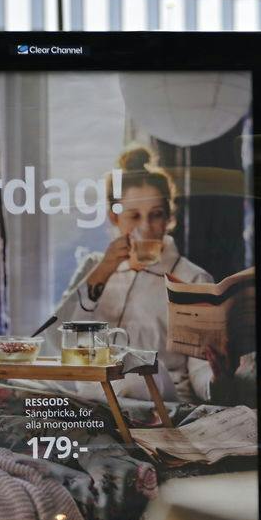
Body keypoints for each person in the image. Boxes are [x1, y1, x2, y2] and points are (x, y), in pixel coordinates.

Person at [47, 147, 216, 403]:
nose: (146, 228)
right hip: (94, 401)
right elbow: (54, 339)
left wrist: (220, 378)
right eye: (134, 216)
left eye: (156, 215)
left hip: (159, 403)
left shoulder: (192, 279)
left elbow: (201, 373)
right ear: (114, 217)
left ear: (169, 218)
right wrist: (103, 271)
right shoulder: (95, 267)